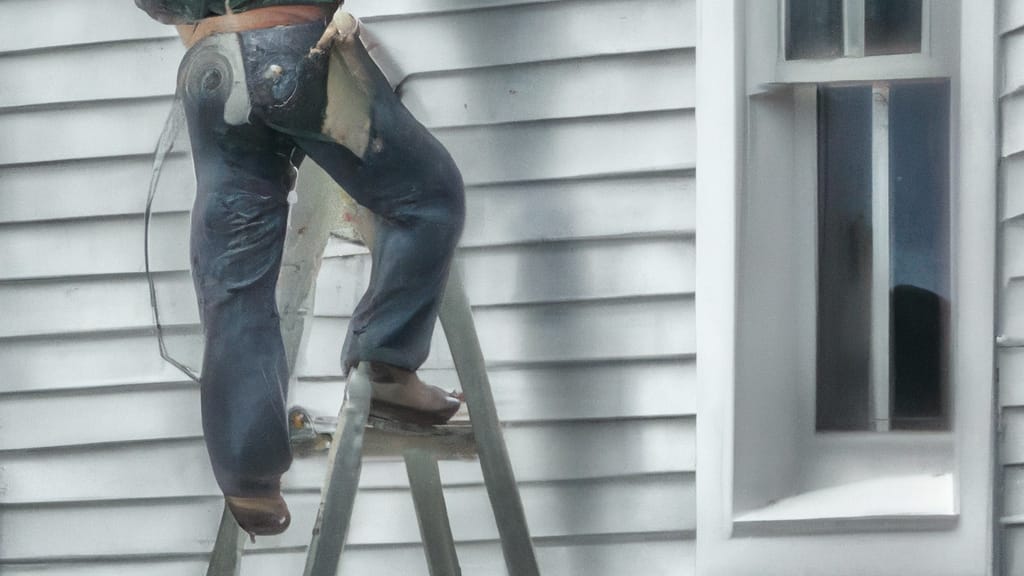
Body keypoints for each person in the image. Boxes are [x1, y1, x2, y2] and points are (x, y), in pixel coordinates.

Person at [135, 0, 465, 537]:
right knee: (429, 197)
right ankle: (384, 364)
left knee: (236, 286)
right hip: (292, 51)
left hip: (208, 67)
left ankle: (249, 483)